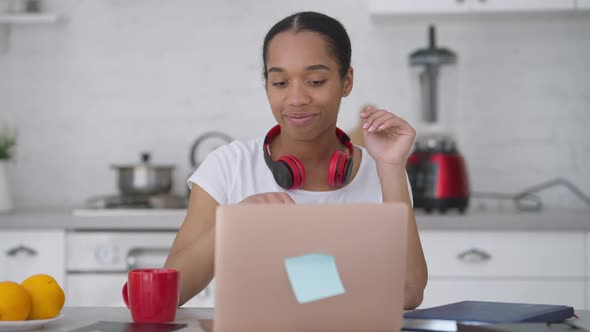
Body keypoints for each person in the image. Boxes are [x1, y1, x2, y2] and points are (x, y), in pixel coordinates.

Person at [164, 11, 428, 310]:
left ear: (347, 81)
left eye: (315, 81)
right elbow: (169, 294)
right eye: (280, 83)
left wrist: (392, 168)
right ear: (266, 84)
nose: (296, 98)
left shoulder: (382, 170)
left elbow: (408, 293)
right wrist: (230, 226)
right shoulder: (228, 166)